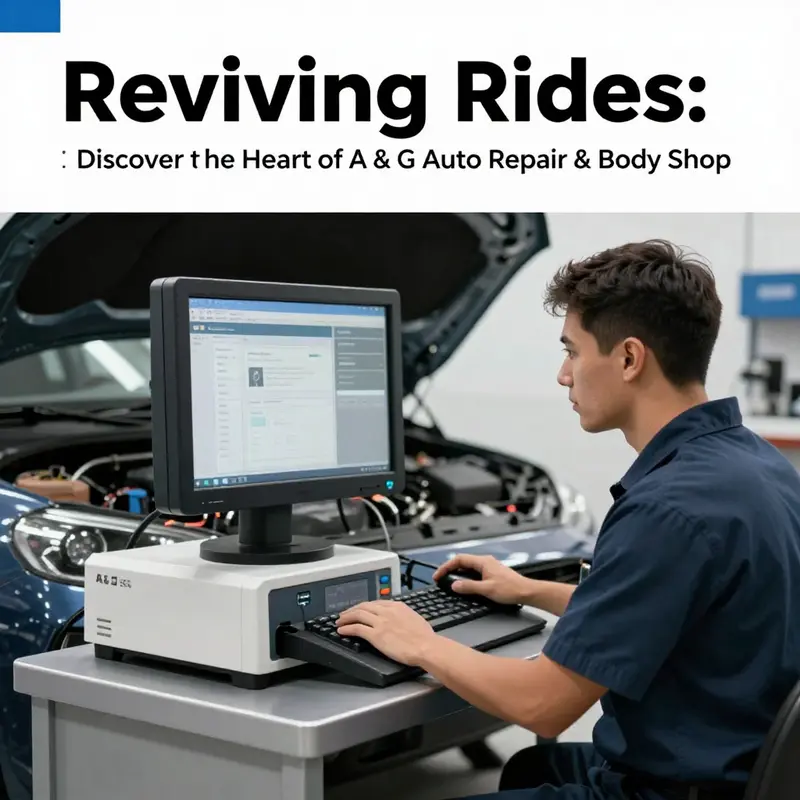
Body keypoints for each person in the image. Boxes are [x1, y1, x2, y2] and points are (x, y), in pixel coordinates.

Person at [336, 239, 800, 800]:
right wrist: (527, 589)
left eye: (573, 352)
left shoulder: (667, 509)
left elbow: (544, 705)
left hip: (671, 787)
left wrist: (419, 642)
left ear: (629, 358)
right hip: (740, 764)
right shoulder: (758, 466)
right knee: (534, 771)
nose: (563, 375)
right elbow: (667, 609)